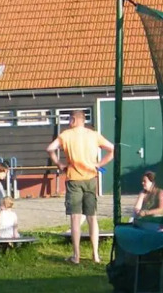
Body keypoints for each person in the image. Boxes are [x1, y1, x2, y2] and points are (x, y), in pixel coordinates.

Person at [46, 110, 115, 264]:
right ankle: (95, 255)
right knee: (92, 217)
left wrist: (59, 164)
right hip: (91, 178)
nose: (68, 122)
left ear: (74, 119)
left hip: (73, 179)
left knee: (75, 218)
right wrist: (99, 164)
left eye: (70, 119)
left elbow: (50, 148)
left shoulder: (66, 135)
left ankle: (76, 256)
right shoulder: (94, 135)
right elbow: (112, 149)